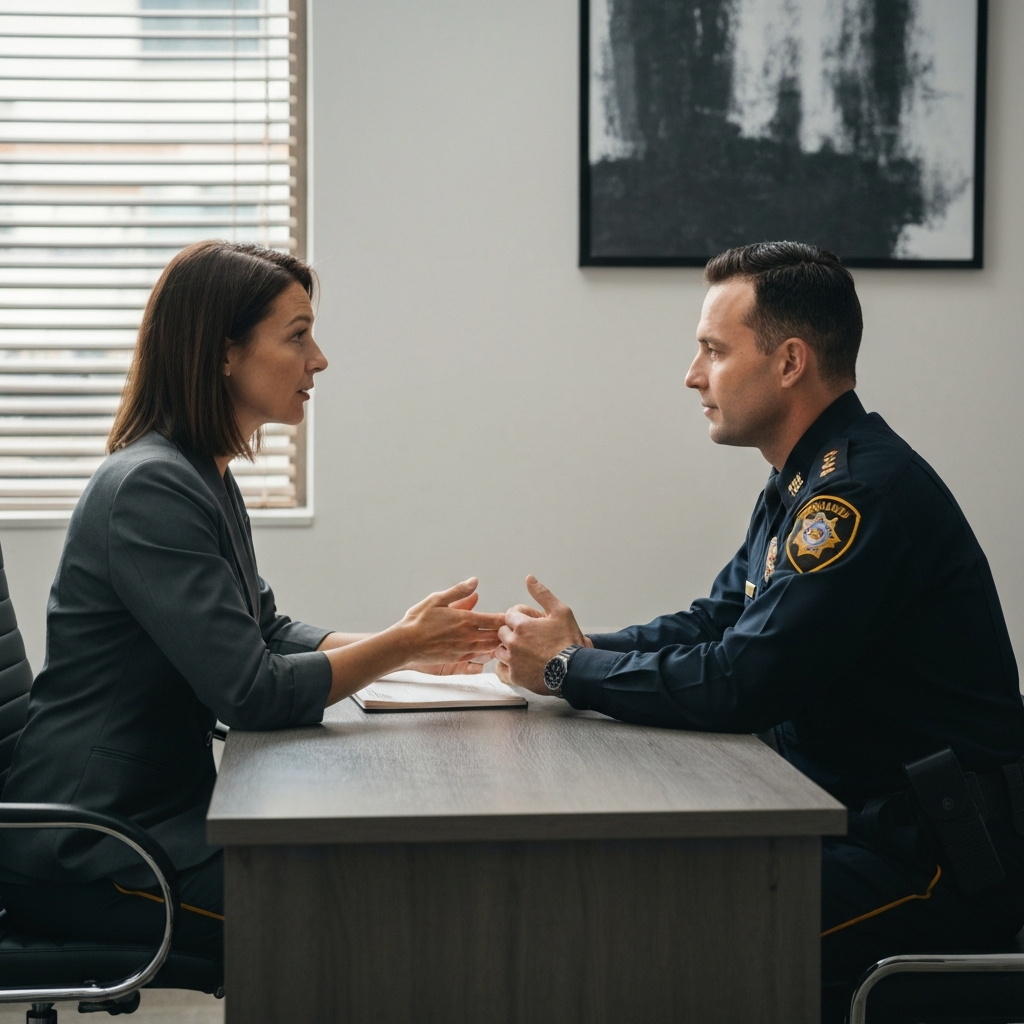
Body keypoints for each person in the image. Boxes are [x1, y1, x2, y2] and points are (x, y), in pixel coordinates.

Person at [494, 241, 1024, 1021]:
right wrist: (585, 648)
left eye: (712, 349)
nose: (692, 374)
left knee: (658, 944)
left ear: (789, 362)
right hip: (849, 822)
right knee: (639, 898)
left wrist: (569, 671)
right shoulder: (806, 479)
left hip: (930, 861)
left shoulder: (858, 498)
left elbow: (741, 681)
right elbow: (721, 620)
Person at [0, 240, 503, 968]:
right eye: (297, 336)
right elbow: (252, 691)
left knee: (371, 885)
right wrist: (396, 647)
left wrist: (410, 645)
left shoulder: (199, 473)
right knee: (359, 911)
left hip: (144, 821)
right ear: (224, 353)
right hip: (92, 849)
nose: (319, 359)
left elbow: (264, 630)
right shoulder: (151, 488)